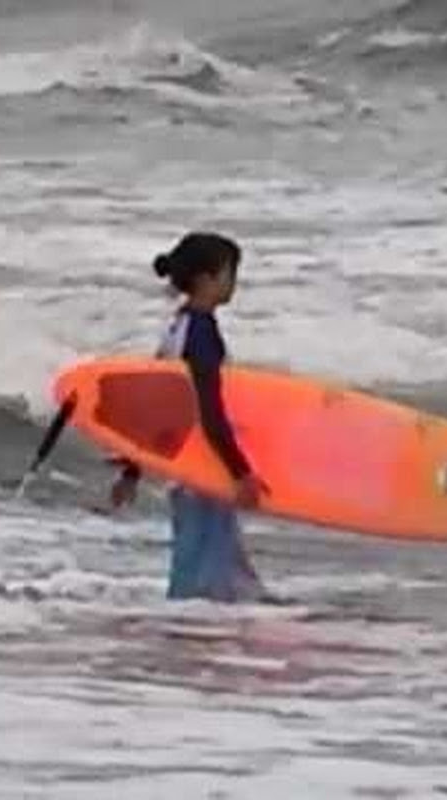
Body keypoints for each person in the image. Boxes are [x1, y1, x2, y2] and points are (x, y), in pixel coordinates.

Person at [110, 232, 278, 604]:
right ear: (206, 279)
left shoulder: (176, 328)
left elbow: (157, 405)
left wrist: (133, 469)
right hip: (205, 467)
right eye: (230, 274)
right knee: (209, 583)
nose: (233, 283)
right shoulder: (201, 333)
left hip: (185, 468)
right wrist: (240, 471)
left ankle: (189, 631)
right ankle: (191, 634)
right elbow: (209, 410)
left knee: (201, 570)